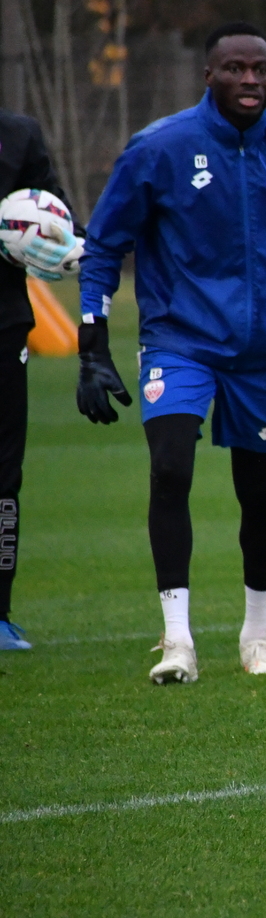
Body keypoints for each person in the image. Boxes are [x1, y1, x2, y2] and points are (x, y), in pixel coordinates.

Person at [76, 21, 266, 684]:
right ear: (208, 75)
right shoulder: (160, 148)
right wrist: (91, 344)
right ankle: (177, 640)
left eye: (260, 69)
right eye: (236, 69)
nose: (250, 80)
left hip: (261, 356)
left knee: (258, 491)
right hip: (178, 341)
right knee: (170, 469)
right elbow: (104, 245)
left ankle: (256, 637)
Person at [0, 110, 75, 651]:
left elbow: (53, 214)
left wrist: (67, 245)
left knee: (4, 476)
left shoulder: (18, 134)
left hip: (4, 326)